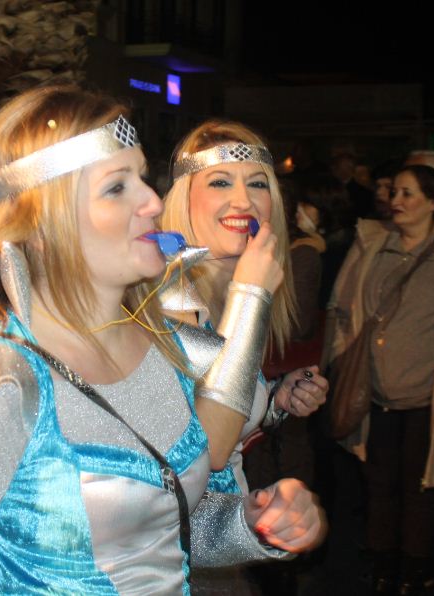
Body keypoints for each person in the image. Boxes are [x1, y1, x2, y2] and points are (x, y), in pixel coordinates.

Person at [0, 86, 324, 593]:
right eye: (116, 187)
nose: (153, 201)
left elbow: (158, 526)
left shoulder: (167, 346)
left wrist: (252, 524)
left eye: (142, 178)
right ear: (44, 220)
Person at [157, 121, 330, 488]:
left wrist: (274, 403)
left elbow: (221, 413)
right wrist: (251, 296)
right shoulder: (168, 298)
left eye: (257, 184)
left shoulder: (232, 290)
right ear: (185, 198)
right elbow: (207, 453)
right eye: (220, 182)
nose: (243, 201)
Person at [323, 164, 434, 594]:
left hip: (431, 395)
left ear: (433, 202)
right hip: (374, 391)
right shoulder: (373, 244)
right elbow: (341, 308)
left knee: (422, 484)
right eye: (394, 192)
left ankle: (417, 567)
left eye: (408, 194)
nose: (395, 201)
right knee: (378, 482)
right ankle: (382, 561)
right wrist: (341, 359)